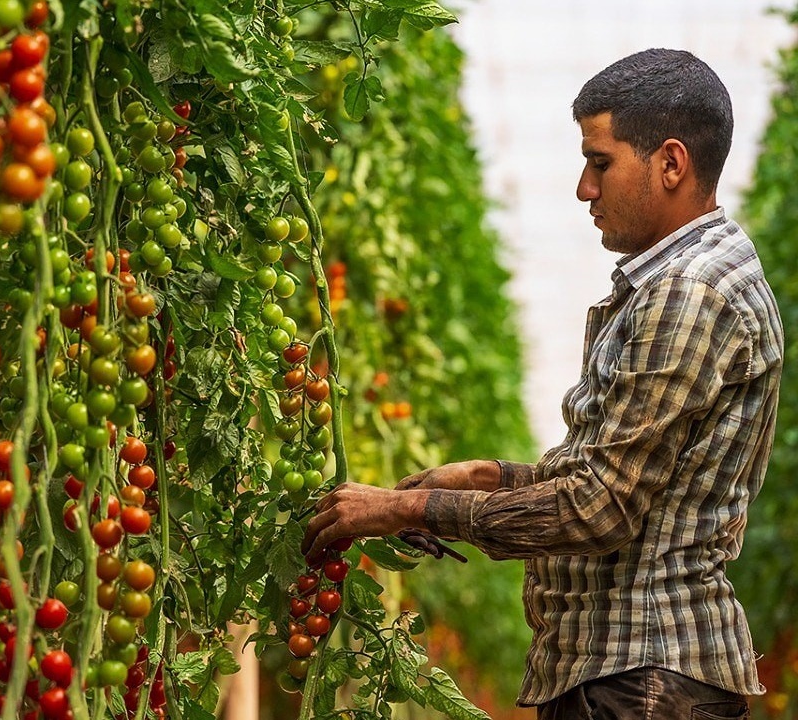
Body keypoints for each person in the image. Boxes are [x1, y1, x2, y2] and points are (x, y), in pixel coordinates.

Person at [301, 48, 783, 720]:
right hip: (638, 674)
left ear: (671, 163)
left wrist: (403, 509)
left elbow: (600, 510)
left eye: (601, 161)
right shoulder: (692, 280)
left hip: (643, 679)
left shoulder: (688, 293)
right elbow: (634, 487)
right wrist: (486, 475)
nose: (585, 187)